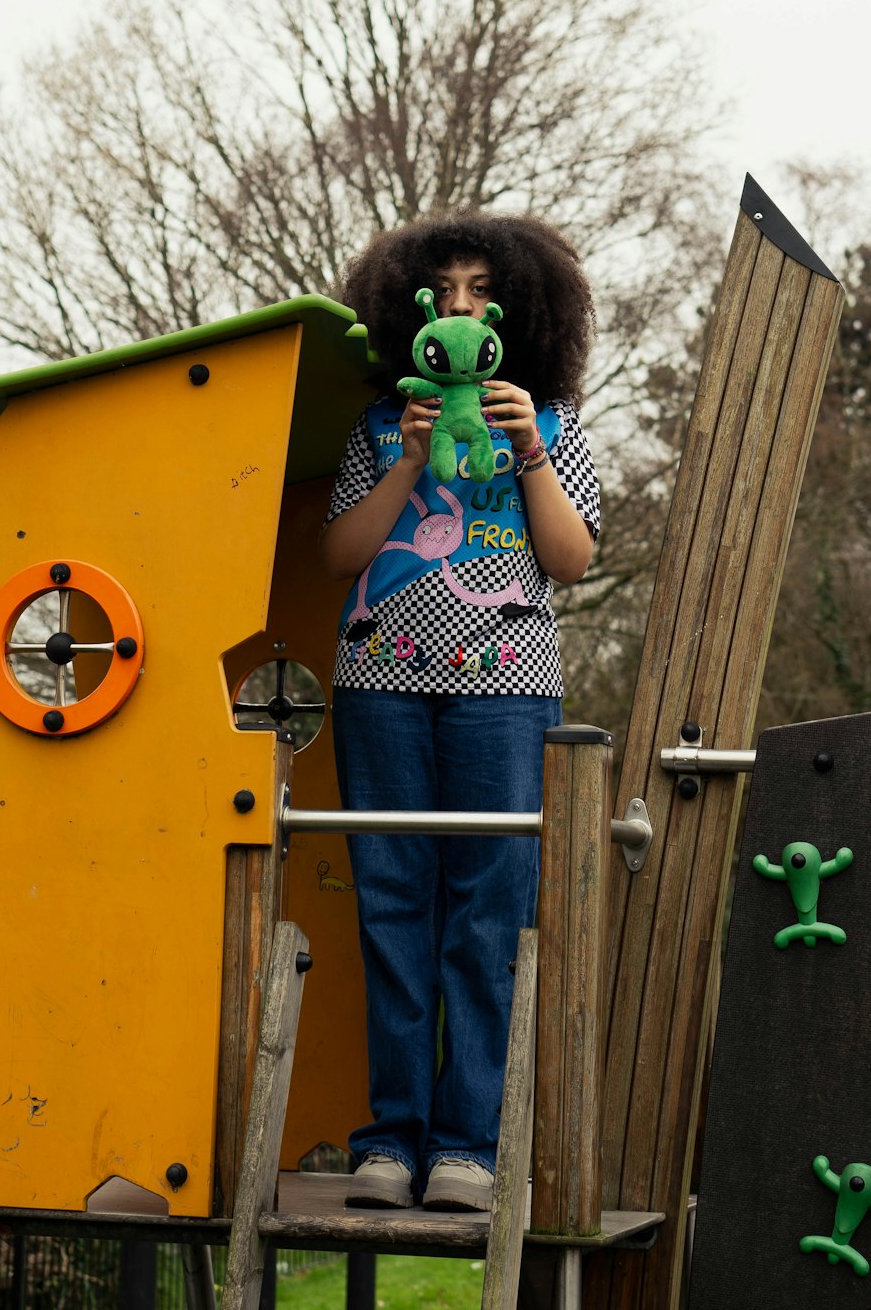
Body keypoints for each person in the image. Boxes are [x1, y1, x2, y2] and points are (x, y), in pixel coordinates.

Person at [320, 210, 600, 1212]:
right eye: (442, 291)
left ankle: (467, 1148)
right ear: (410, 308)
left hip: (508, 692)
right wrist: (404, 460)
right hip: (378, 687)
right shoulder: (373, 429)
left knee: (487, 919)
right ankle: (387, 1144)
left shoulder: (558, 428)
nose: (459, 306)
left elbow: (570, 562)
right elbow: (340, 558)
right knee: (393, 912)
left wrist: (528, 454)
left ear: (522, 311)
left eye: (481, 289)